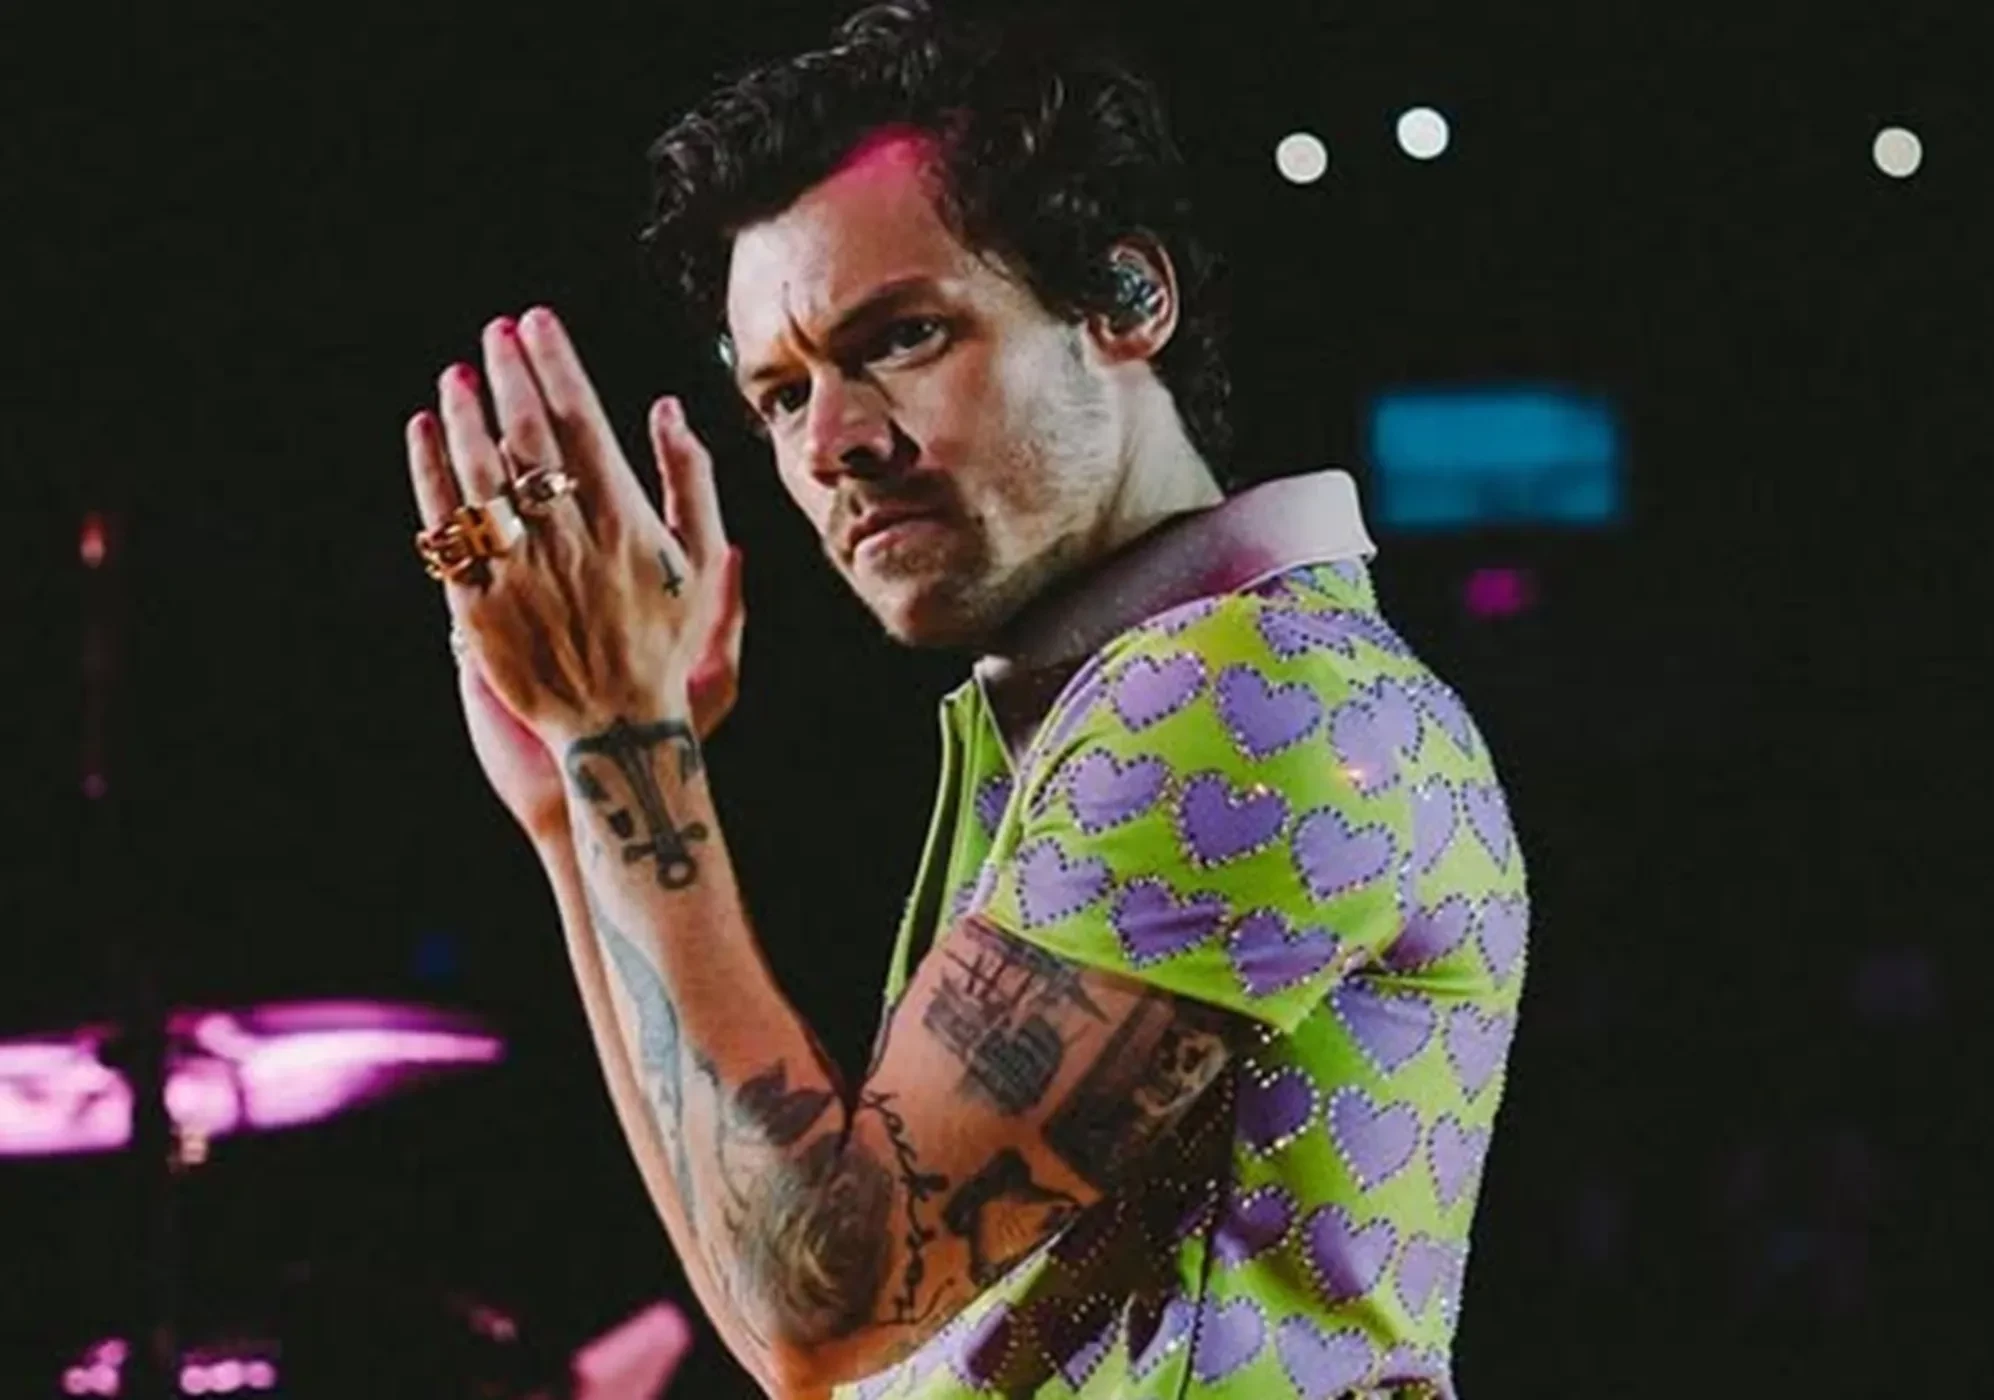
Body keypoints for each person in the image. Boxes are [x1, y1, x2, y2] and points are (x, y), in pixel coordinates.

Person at [401, 3, 1527, 1395]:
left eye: (903, 337)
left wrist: (624, 742)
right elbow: (794, 1331)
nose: (832, 442)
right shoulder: (1107, 706)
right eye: (780, 396)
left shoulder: (1244, 699)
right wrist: (582, 806)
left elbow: (823, 1304)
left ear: (1124, 301)